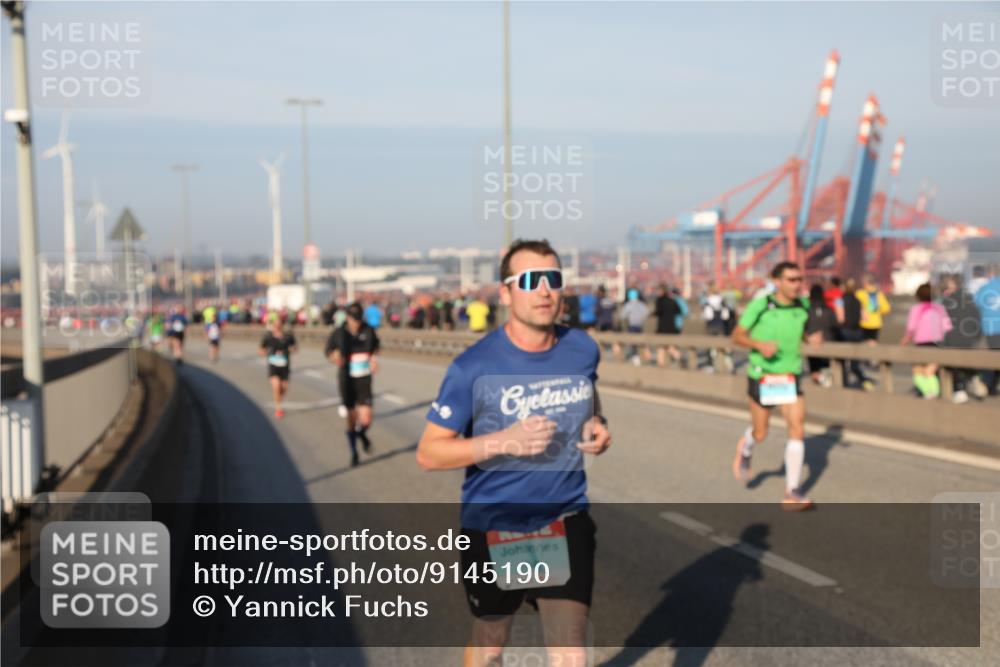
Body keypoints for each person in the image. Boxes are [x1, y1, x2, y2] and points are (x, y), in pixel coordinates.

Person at [416, 239, 611, 667]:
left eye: (553, 279)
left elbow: (587, 396)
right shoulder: (474, 367)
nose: (543, 290)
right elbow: (429, 453)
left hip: (563, 517)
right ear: (505, 293)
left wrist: (597, 424)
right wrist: (505, 441)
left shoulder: (582, 349)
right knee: (491, 641)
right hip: (494, 525)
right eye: (529, 280)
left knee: (571, 653)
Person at [731, 261, 813, 511]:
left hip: (790, 375)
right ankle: (747, 446)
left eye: (799, 279)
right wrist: (759, 345)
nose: (797, 284)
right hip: (763, 375)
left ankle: (792, 491)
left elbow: (804, 334)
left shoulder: (803, 306)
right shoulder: (761, 305)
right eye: (791, 279)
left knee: (797, 428)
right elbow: (736, 336)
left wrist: (814, 337)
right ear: (777, 281)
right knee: (761, 432)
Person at [326, 302, 380, 467]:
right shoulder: (338, 333)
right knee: (351, 418)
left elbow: (375, 348)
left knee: (366, 419)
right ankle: (354, 452)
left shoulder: (368, 330)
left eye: (358, 319)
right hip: (346, 380)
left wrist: (373, 360)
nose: (356, 322)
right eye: (353, 319)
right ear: (348, 317)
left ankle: (362, 435)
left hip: (364, 380)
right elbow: (329, 351)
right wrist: (334, 357)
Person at [901, 283, 952, 399]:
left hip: (921, 344)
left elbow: (911, 327)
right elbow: (947, 327)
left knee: (918, 372)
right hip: (937, 343)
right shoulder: (939, 308)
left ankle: (928, 393)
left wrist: (906, 338)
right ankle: (933, 392)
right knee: (930, 371)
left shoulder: (916, 309)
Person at [940, 274, 984, 403]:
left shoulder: (947, 302)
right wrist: (976, 336)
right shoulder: (970, 300)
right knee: (969, 362)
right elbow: (977, 319)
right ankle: (975, 380)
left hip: (953, 338)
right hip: (970, 339)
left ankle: (960, 390)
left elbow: (943, 322)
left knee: (956, 366)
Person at [839, 278, 873, 390]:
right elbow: (865, 317)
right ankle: (863, 380)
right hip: (858, 332)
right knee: (855, 362)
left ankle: (844, 383)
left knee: (842, 360)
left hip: (845, 332)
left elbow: (841, 318)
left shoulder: (840, 300)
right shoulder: (858, 301)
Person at [259, 317, 297, 418]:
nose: (277, 326)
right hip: (273, 366)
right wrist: (264, 352)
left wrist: (292, 349)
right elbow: (261, 350)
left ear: (282, 325)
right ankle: (278, 408)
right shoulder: (268, 337)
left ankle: (278, 399)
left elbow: (295, 347)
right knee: (276, 386)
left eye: (279, 324)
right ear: (273, 325)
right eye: (275, 325)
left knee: (284, 388)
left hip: (285, 366)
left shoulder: (288, 336)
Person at [973, 266, 1000, 395]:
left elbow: (976, 304)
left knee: (992, 358)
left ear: (990, 274)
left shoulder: (984, 288)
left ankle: (991, 386)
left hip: (991, 329)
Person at [805, 284, 837, 387]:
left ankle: (820, 381)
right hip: (828, 344)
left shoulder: (807, 311)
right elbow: (835, 326)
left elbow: (803, 327)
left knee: (814, 371)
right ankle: (826, 384)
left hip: (812, 346)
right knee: (827, 369)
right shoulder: (829, 310)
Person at [856, 274, 891, 344]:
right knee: (873, 343)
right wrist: (877, 313)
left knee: (862, 344)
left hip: (863, 323)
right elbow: (886, 309)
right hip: (875, 323)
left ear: (865, 283)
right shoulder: (879, 294)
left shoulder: (859, 294)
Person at [653, 283, 682, 366]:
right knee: (670, 347)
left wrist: (652, 314)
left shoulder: (659, 301)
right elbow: (678, 311)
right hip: (672, 327)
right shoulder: (672, 301)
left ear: (661, 291)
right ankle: (679, 357)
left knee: (661, 347)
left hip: (662, 328)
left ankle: (661, 366)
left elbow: (658, 312)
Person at [620, 288, 650, 364]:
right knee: (642, 343)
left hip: (632, 326)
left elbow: (622, 316)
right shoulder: (642, 305)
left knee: (633, 343)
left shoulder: (628, 305)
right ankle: (647, 357)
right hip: (640, 326)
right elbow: (647, 313)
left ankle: (636, 359)